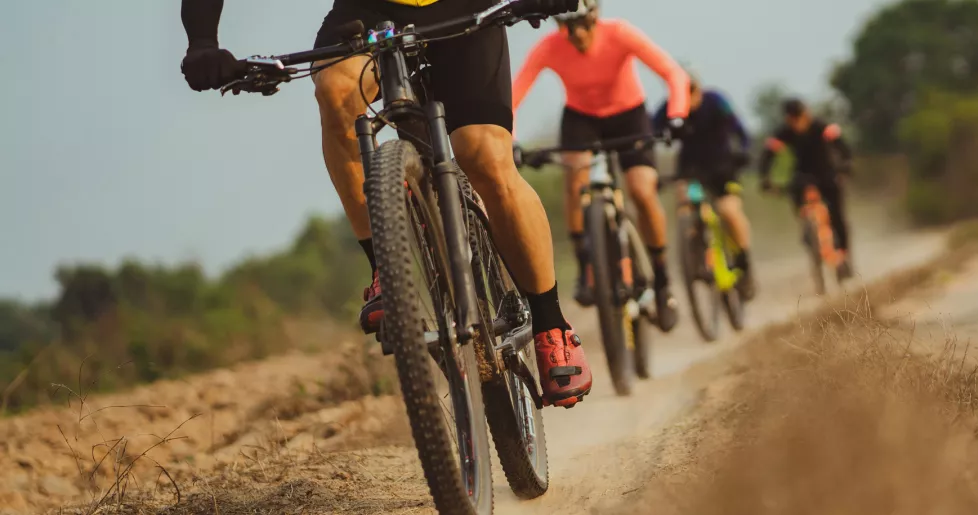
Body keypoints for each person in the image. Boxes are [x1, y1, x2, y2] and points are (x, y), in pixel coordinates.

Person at [177, 0, 593, 408]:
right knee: (336, 94)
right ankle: (385, 271)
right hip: (369, 9)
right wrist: (201, 41)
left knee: (484, 154)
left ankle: (551, 325)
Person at [511, 0, 690, 332]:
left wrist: (677, 114)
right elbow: (514, 94)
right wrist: (512, 140)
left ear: (595, 17)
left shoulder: (620, 33)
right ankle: (584, 264)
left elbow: (672, 72)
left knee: (640, 189)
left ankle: (662, 278)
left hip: (629, 115)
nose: (576, 33)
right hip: (582, 119)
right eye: (566, 26)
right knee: (574, 173)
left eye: (582, 24)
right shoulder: (548, 47)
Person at [652, 77, 756, 300]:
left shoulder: (715, 101)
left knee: (728, 211)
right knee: (684, 203)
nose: (687, 97)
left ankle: (744, 262)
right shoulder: (668, 109)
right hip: (690, 169)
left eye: (691, 90)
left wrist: (744, 151)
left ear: (698, 88)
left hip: (723, 167)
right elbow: (650, 137)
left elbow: (739, 129)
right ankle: (695, 252)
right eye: (680, 91)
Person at [758, 98, 855, 278]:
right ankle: (808, 227)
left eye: (799, 117)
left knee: (838, 216)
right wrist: (765, 177)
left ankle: (844, 256)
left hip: (826, 173)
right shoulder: (784, 133)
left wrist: (846, 165)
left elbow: (842, 146)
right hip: (802, 175)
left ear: (806, 114)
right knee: (795, 192)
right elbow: (768, 155)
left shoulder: (821, 127)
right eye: (792, 119)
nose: (797, 123)